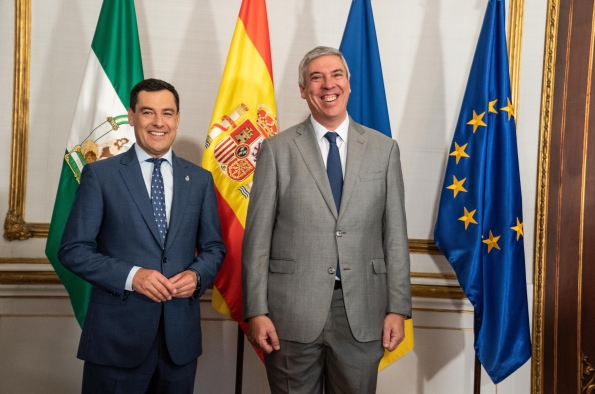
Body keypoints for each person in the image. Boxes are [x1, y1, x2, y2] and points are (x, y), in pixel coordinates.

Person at [242, 46, 411, 393]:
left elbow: (394, 235)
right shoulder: (277, 150)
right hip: (290, 312)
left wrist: (398, 307)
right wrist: (256, 311)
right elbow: (257, 239)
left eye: (336, 75)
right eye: (315, 77)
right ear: (303, 90)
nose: (327, 85)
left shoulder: (384, 150)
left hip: (363, 313)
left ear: (349, 84)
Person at [59, 78, 225, 394]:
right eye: (148, 112)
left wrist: (196, 275)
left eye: (167, 113)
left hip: (179, 342)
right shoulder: (100, 175)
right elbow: (73, 249)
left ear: (177, 118)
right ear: (132, 116)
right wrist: (132, 276)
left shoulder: (200, 179)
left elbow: (213, 247)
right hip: (116, 340)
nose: (158, 122)